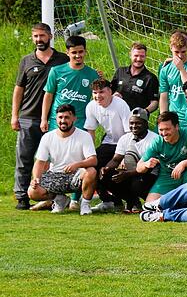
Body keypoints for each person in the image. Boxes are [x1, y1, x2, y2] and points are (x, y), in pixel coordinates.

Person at [11, 23, 68, 209]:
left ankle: (52, 196)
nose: (39, 40)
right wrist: (15, 115)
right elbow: (19, 89)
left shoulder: (62, 59)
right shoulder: (27, 61)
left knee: (53, 160)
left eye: (42, 36)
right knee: (25, 158)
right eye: (35, 36)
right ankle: (22, 196)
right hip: (28, 116)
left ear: (50, 36)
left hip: (55, 119)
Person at [27, 104, 98, 215]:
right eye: (60, 117)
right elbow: (40, 162)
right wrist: (35, 178)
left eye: (67, 117)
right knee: (32, 192)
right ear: (56, 119)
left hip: (76, 175)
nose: (63, 121)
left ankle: (85, 205)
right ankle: (60, 200)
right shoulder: (47, 137)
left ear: (74, 118)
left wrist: (77, 165)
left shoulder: (84, 136)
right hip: (55, 175)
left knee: (91, 171)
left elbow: (93, 160)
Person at [83, 78, 132, 212]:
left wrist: (123, 156)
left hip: (124, 143)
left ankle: (130, 200)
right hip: (108, 142)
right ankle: (108, 200)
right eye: (95, 93)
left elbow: (129, 133)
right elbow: (91, 131)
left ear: (110, 92)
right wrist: (90, 154)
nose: (98, 96)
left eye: (101, 92)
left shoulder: (120, 105)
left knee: (116, 170)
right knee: (93, 165)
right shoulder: (91, 106)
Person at [98, 108, 159, 212]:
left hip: (149, 175)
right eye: (131, 123)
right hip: (131, 173)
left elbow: (151, 167)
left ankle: (144, 201)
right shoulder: (125, 138)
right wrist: (106, 168)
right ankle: (132, 200)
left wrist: (127, 174)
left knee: (137, 183)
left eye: (138, 123)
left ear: (146, 123)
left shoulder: (154, 139)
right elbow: (116, 160)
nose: (134, 126)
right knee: (105, 176)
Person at [41, 35, 100, 132]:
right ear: (67, 53)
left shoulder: (93, 74)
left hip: (80, 122)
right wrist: (43, 119)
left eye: (80, 52)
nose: (78, 55)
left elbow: (98, 96)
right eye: (74, 52)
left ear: (85, 51)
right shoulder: (56, 71)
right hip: (58, 122)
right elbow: (48, 95)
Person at [135, 111, 187, 202]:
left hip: (186, 173)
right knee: (149, 206)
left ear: (177, 126)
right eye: (161, 130)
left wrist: (184, 163)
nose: (164, 133)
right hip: (166, 177)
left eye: (167, 129)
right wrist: (146, 164)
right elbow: (138, 167)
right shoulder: (157, 142)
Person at [158, 30, 187, 127]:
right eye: (176, 52)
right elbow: (164, 97)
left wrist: (181, 69)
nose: (180, 55)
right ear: (170, 48)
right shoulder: (165, 69)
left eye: (183, 51)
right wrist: (164, 118)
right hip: (173, 118)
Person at [111, 42, 159, 113]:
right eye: (136, 55)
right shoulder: (120, 71)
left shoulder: (150, 78)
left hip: (136, 120)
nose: (139, 59)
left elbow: (155, 102)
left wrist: (144, 111)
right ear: (130, 55)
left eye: (142, 56)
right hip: (117, 116)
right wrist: (113, 96)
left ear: (146, 56)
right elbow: (109, 91)